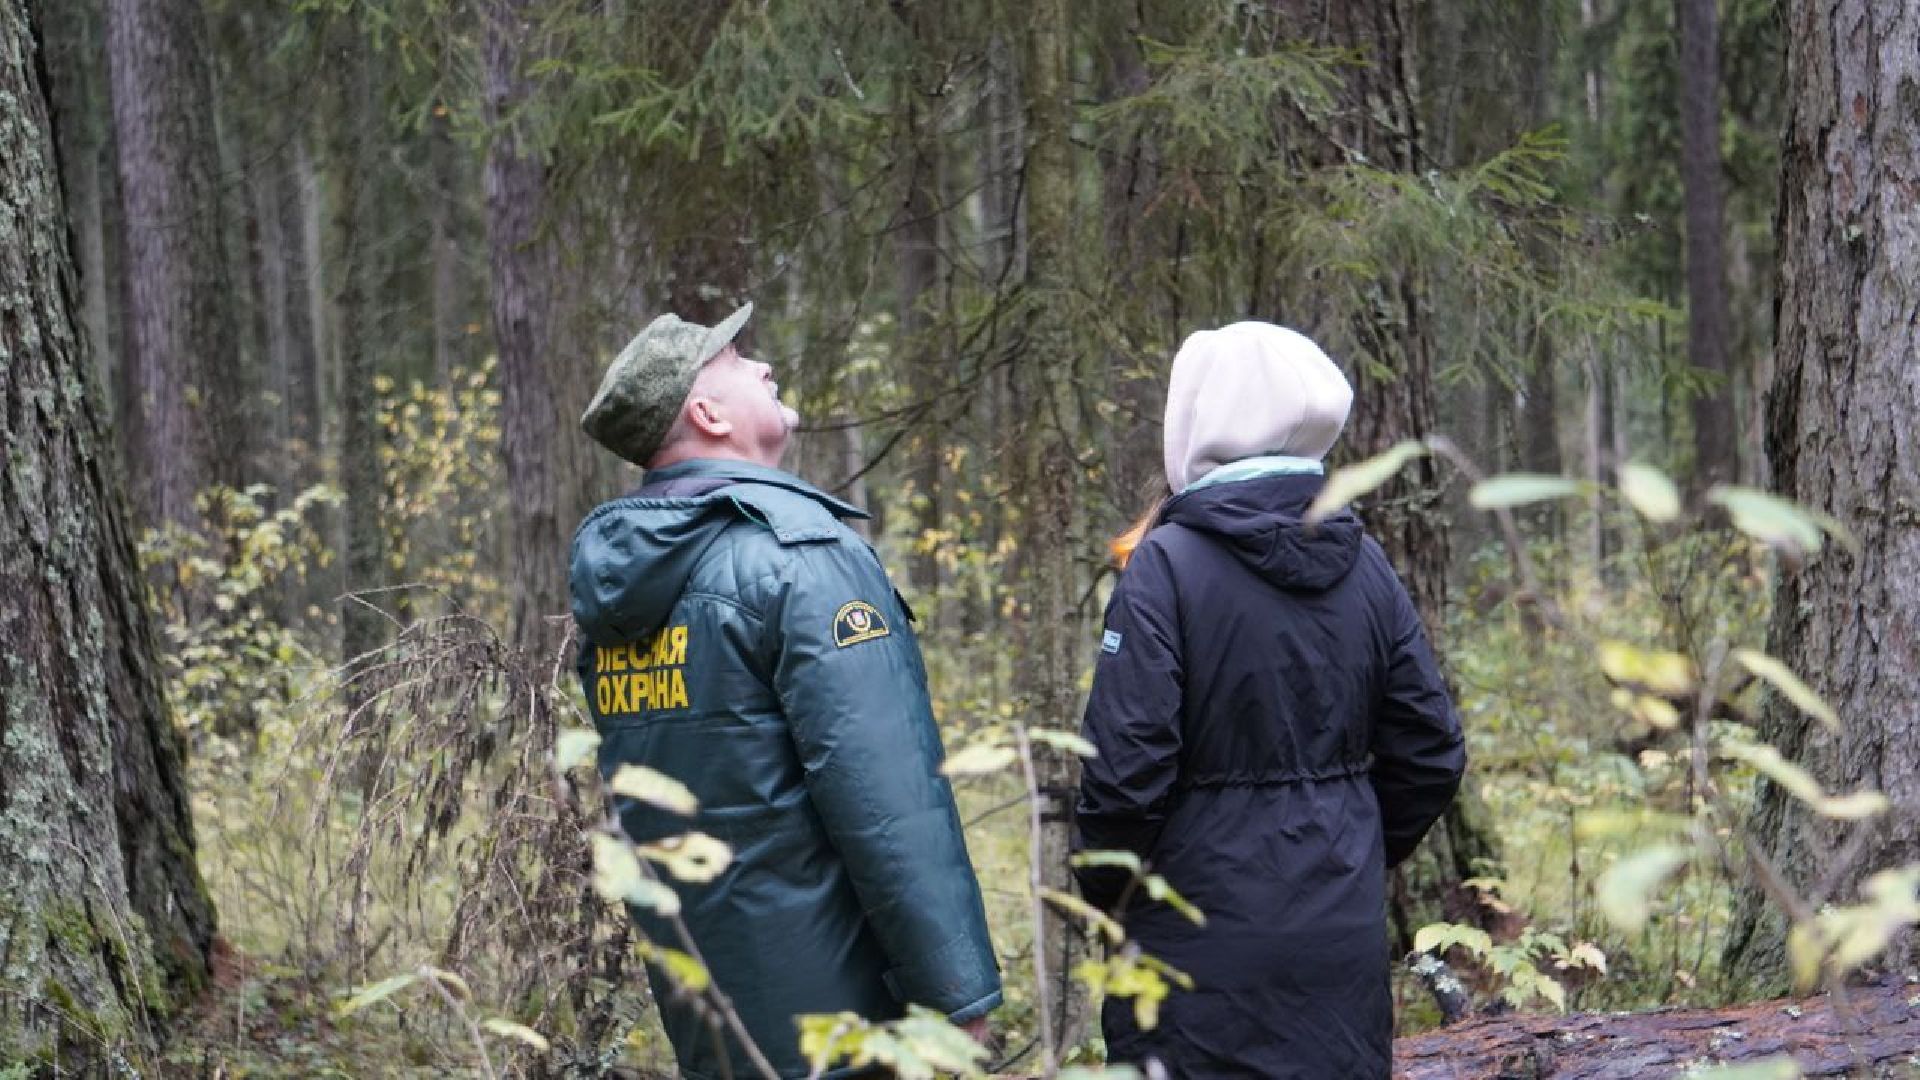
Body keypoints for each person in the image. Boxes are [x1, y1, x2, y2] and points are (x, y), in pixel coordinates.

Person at [570, 303, 1000, 1079]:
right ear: (706, 413)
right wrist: (958, 992)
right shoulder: (801, 557)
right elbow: (887, 797)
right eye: (736, 359)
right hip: (842, 1019)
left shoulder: (621, 586)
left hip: (711, 1008)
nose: (763, 365)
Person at [1074, 321, 1465, 1078]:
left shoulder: (1165, 566)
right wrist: (1352, 846)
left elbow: (1123, 777)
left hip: (1194, 944)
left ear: (1193, 420)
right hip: (1338, 939)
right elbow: (1432, 752)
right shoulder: (1366, 563)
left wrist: (1109, 895)